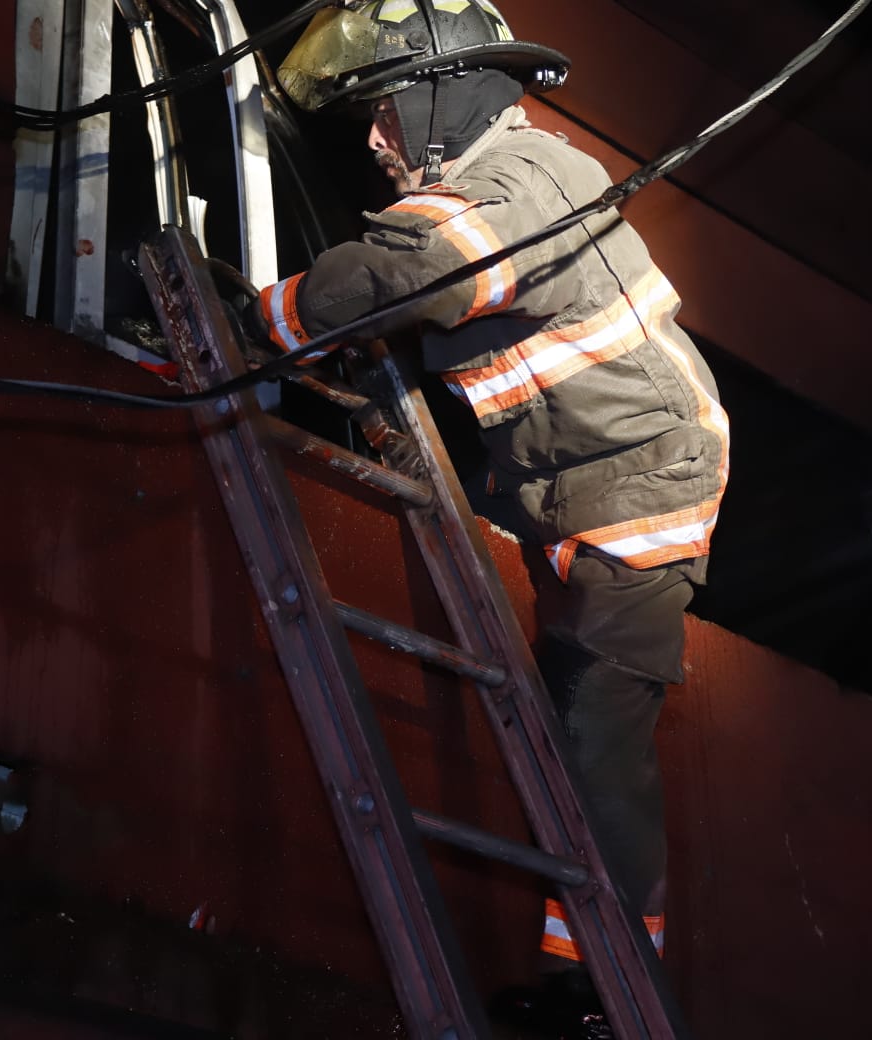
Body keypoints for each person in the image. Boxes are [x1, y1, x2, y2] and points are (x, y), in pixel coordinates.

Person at [258, 1, 729, 1033]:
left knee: (595, 726)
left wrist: (266, 318)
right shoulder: (508, 179)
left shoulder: (515, 188)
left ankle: (608, 1000)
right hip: (578, 479)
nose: (375, 142)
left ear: (439, 99)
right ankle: (587, 979)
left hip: (642, 483)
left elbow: (402, 273)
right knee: (576, 719)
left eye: (382, 112)